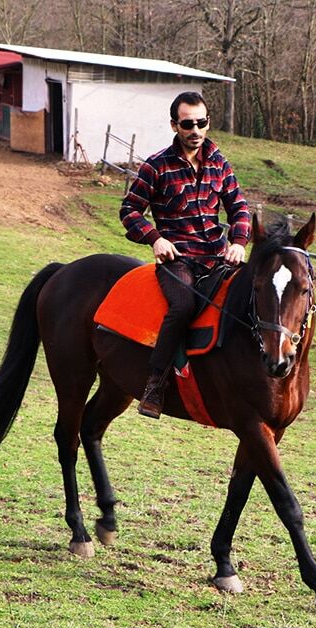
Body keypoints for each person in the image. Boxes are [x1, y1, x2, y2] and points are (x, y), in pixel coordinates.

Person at [120, 91, 251, 418]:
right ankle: (155, 383)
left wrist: (238, 242)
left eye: (201, 123)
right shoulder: (156, 166)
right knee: (183, 306)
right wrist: (155, 239)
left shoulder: (219, 163)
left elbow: (239, 208)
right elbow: (130, 211)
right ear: (174, 125)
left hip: (219, 259)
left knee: (253, 297)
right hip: (178, 260)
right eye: (188, 124)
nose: (195, 130)